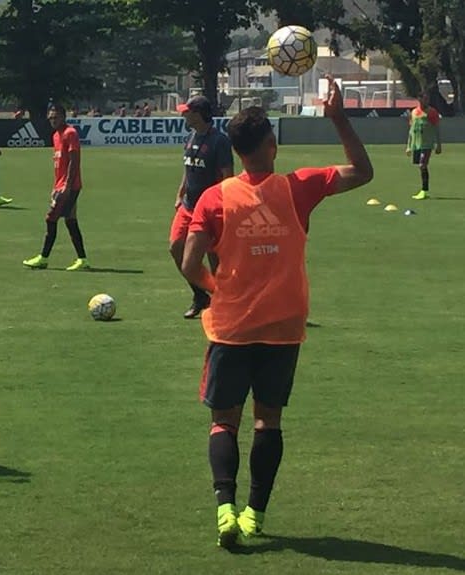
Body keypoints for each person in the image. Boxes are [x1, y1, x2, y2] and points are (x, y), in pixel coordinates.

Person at [181, 78, 373, 549]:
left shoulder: (215, 197)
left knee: (224, 420)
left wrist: (212, 290)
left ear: (239, 150)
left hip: (231, 328)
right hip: (284, 327)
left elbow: (188, 261)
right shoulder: (299, 187)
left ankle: (224, 509)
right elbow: (362, 171)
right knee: (269, 421)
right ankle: (256, 513)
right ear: (271, 144)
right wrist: (338, 118)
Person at [171, 95, 233, 319]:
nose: (183, 114)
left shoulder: (220, 141)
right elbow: (189, 169)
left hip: (210, 208)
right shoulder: (190, 137)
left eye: (186, 111)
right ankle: (200, 295)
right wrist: (180, 194)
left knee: (214, 259)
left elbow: (227, 176)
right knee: (176, 248)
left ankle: (222, 302)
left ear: (198, 114)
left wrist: (223, 205)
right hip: (188, 205)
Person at [23, 104, 89, 271]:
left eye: (56, 117)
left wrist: (66, 185)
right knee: (71, 221)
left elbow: (74, 161)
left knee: (50, 218)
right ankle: (83, 260)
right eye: (51, 118)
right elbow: (59, 164)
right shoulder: (56, 136)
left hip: (70, 186)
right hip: (61, 185)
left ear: (63, 117)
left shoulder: (70, 133)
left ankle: (43, 258)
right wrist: (55, 186)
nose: (53, 120)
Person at [406, 91, 442, 200]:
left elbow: (437, 129)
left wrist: (439, 144)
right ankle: (423, 190)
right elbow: (411, 130)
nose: (427, 101)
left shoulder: (432, 112)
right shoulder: (413, 112)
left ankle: (424, 190)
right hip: (417, 145)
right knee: (420, 166)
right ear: (419, 99)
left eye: (428, 99)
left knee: (422, 165)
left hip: (427, 144)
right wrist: (408, 146)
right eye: (425, 99)